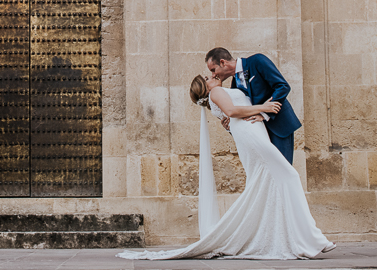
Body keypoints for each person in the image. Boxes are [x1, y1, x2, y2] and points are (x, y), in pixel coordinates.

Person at [117, 74, 334, 260]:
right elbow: (231, 112)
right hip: (251, 134)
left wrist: (255, 112)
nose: (213, 77)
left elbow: (231, 114)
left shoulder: (215, 97)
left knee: (269, 182)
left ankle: (289, 238)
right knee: (288, 176)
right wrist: (265, 107)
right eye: (208, 77)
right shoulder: (216, 93)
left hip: (249, 132)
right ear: (206, 86)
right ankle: (312, 238)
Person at [206, 47, 301, 164]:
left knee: (282, 169)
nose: (213, 74)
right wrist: (230, 126)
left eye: (213, 69)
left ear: (223, 62)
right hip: (259, 134)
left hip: (278, 125)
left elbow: (282, 86)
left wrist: (264, 113)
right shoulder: (234, 85)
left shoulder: (257, 61)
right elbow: (242, 112)